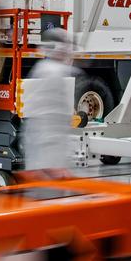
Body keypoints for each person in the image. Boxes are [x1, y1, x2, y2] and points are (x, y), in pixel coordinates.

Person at [21, 29, 78, 173]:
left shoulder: (43, 68)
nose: (67, 50)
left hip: (45, 140)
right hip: (49, 142)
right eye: (65, 45)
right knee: (49, 185)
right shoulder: (54, 71)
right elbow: (52, 114)